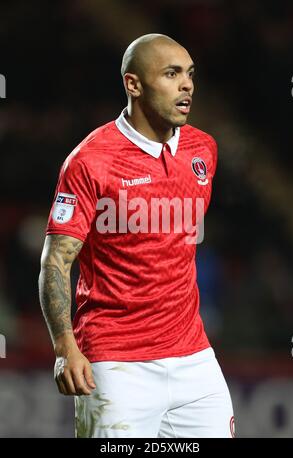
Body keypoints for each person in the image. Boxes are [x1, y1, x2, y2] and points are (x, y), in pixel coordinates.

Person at [39, 33, 234, 438]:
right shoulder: (90, 162)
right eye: (171, 73)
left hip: (194, 358)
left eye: (190, 74)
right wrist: (64, 347)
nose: (187, 85)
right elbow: (56, 260)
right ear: (134, 84)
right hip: (115, 364)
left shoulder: (203, 150)